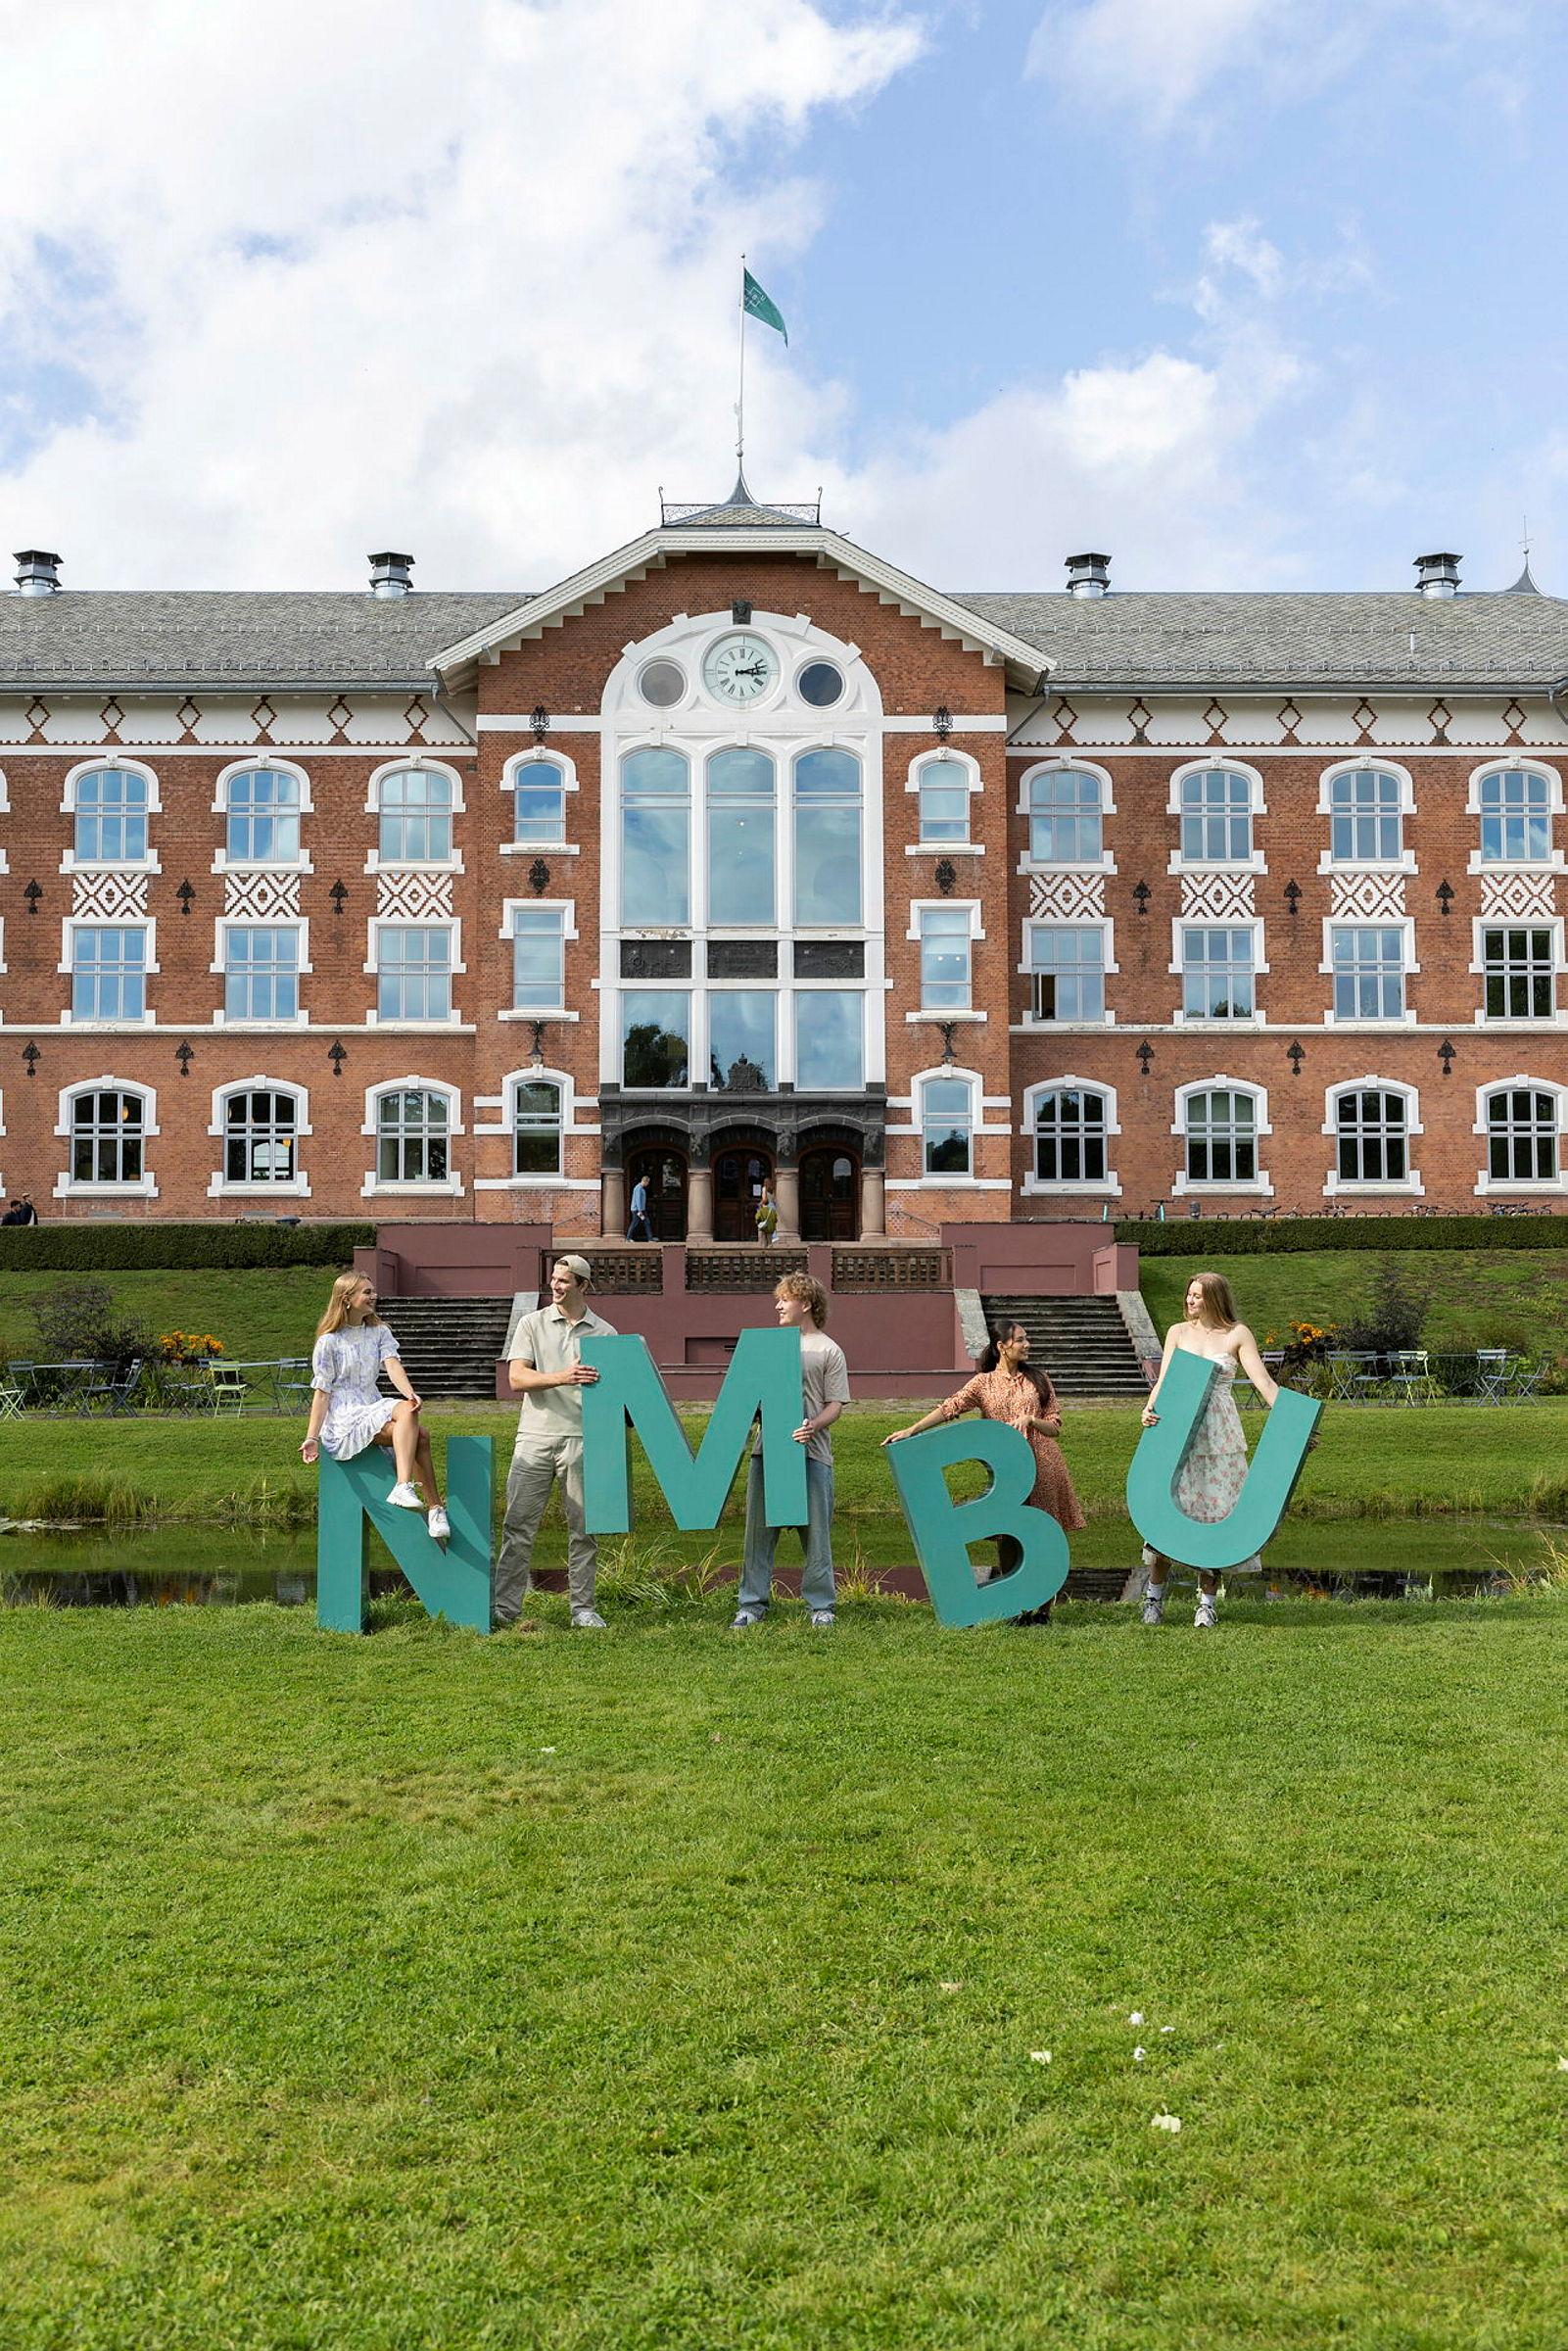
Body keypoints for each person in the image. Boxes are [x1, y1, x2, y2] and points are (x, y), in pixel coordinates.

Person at [883, 1320, 1083, 1624]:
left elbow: (1055, 1425)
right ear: (1002, 1346)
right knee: (1007, 1534)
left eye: (1026, 1339)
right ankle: (1016, 1604)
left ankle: (1042, 1611)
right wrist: (912, 1429)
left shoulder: (1040, 1379)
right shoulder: (983, 1383)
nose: (1027, 1344)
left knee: (1042, 1533)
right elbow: (951, 1407)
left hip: (1043, 1463)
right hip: (1008, 1471)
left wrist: (1031, 1420)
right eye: (1020, 1340)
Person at [1138, 1270, 1282, 1629]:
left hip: (1218, 1432)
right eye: (1189, 1295)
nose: (1191, 1301)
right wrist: (1149, 1407)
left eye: (1198, 1296)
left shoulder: (1237, 1334)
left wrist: (1294, 1419)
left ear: (1215, 1299)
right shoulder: (1177, 1332)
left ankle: (1206, 1604)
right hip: (1177, 1431)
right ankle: (1154, 1599)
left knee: (1214, 1515)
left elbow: (1263, 1383)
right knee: (1169, 1511)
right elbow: (1166, 1379)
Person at [498, 1254, 618, 1630]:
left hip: (583, 1440)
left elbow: (615, 1392)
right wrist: (563, 1377)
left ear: (583, 1285)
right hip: (535, 1437)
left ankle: (583, 1608)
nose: (555, 1285)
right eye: (553, 1279)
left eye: (564, 1281)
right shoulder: (532, 1323)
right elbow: (516, 1379)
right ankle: (504, 1608)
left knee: (584, 1529)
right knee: (518, 1526)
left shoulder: (605, 1333)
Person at [732, 1271, 849, 1629]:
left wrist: (814, 1425)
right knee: (758, 1534)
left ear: (807, 1304)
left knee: (815, 1535)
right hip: (767, 1453)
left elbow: (835, 1404)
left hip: (812, 1455)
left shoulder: (828, 1349)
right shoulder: (768, 1348)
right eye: (777, 1300)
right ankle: (751, 1604)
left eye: (785, 1299)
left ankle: (821, 1606)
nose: (778, 1305)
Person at [300, 1272, 449, 1542]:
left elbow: (393, 1365)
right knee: (412, 1422)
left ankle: (434, 1508)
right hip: (344, 1416)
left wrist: (410, 1392)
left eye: (373, 1291)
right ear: (347, 1299)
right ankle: (406, 1488)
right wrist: (311, 1437)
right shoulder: (328, 1342)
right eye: (367, 1292)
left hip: (371, 1405)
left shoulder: (380, 1332)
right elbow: (322, 1393)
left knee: (417, 1426)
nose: (374, 1296)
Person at [627, 1171, 653, 1243]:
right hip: (637, 1210)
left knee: (646, 1222)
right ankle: (628, 1238)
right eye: (648, 1183)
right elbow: (638, 1200)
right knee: (635, 1223)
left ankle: (650, 1239)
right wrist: (639, 1211)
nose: (648, 1184)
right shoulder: (638, 1188)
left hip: (641, 1209)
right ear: (645, 1181)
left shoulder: (640, 1188)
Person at [754, 1179, 779, 1246]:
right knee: (771, 1222)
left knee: (764, 1223)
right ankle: (773, 1238)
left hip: (767, 1206)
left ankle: (765, 1242)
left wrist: (760, 1204)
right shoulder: (772, 1190)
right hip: (772, 1207)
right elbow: (774, 1200)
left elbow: (764, 1199)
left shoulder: (764, 1188)